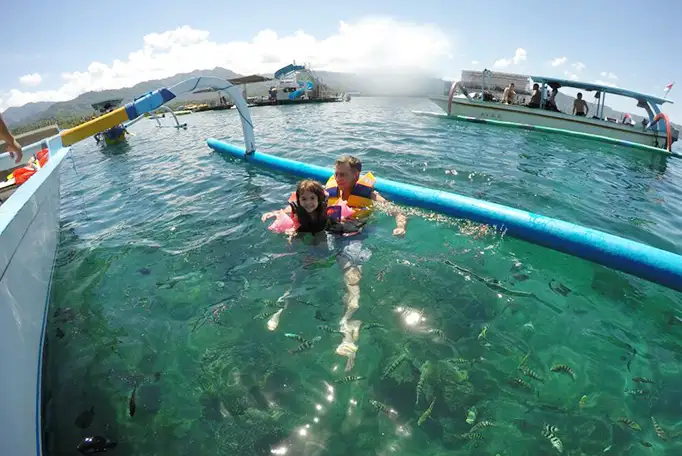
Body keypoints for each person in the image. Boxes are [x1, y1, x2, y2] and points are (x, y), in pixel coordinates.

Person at [261, 179, 331, 238]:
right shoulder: (297, 208)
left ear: (318, 199)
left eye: (312, 198)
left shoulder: (322, 207)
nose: (308, 202)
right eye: (304, 199)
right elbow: (286, 211)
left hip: (320, 229)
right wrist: (273, 213)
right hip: (304, 230)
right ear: (299, 200)